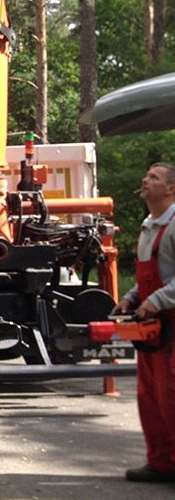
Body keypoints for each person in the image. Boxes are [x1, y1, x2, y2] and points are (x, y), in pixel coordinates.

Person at [112, 162, 175, 482]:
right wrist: (132, 298)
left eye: (154, 177)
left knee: (172, 396)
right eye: (146, 174)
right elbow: (149, 274)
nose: (145, 180)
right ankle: (161, 462)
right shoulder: (149, 224)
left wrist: (155, 301)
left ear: (171, 189)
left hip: (171, 325)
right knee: (150, 397)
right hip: (152, 328)